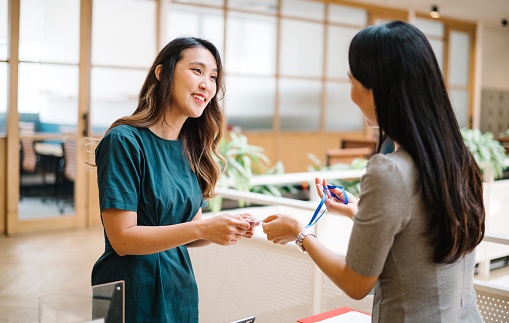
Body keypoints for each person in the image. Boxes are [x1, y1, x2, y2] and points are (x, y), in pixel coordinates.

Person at [262, 21, 485, 322]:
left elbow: (356, 282)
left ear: (378, 90)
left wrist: (300, 234)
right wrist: (357, 211)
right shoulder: (459, 160)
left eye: (352, 81)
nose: (351, 93)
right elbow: (419, 242)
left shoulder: (388, 171)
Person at [91, 37, 258, 322]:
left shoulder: (191, 148)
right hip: (130, 291)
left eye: (214, 76)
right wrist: (202, 230)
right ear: (162, 73)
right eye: (197, 71)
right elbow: (123, 239)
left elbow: (189, 230)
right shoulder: (124, 141)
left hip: (179, 289)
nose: (207, 84)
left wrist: (220, 229)